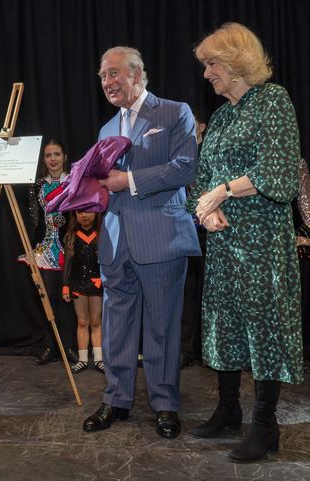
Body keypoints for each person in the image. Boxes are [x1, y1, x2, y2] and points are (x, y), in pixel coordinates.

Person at [187, 22, 303, 463]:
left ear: (235, 64)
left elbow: (279, 172)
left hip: (261, 244)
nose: (206, 74)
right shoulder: (220, 116)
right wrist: (204, 207)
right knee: (224, 325)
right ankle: (228, 410)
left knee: (264, 328)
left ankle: (266, 426)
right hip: (223, 246)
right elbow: (202, 179)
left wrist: (224, 192)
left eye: (211, 64)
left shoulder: (273, 102)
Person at [82, 46, 201, 439]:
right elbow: (104, 183)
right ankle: (116, 398)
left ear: (137, 74)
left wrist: (128, 181)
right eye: (102, 77)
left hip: (161, 237)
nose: (107, 82)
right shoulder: (105, 129)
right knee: (116, 325)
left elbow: (185, 168)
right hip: (115, 241)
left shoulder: (173, 111)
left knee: (162, 326)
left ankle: (165, 404)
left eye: (113, 73)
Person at [18, 139, 78, 365]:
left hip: (69, 249)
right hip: (45, 249)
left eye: (56, 154)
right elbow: (34, 220)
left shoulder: (72, 182)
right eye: (48, 155)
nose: (52, 159)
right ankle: (50, 345)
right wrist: (34, 249)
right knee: (47, 299)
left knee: (68, 299)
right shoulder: (36, 185)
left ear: (64, 157)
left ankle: (69, 347)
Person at [180, 111, 207, 368]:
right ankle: (185, 350)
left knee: (210, 293)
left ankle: (209, 349)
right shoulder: (178, 155)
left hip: (209, 232)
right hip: (185, 231)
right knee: (186, 293)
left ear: (201, 126)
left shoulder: (210, 152)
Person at [62, 210, 104, 374]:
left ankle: (99, 359)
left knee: (95, 321)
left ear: (96, 213)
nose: (83, 215)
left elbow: (106, 261)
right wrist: (65, 285)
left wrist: (103, 279)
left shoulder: (100, 234)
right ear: (75, 215)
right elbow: (67, 264)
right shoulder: (72, 236)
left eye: (87, 211)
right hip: (77, 284)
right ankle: (83, 359)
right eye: (79, 212)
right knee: (82, 322)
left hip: (96, 283)